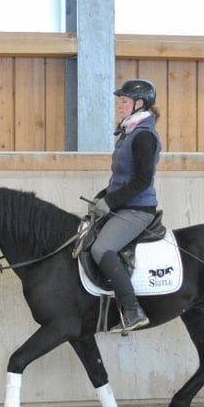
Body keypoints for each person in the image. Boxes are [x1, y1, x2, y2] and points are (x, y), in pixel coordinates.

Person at [88, 79, 162, 333]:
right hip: (122, 205)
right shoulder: (128, 133)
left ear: (139, 104)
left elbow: (141, 181)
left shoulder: (144, 137)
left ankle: (132, 310)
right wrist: (102, 197)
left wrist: (110, 201)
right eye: (121, 100)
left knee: (101, 249)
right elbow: (121, 178)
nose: (120, 105)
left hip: (138, 209)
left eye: (125, 101)